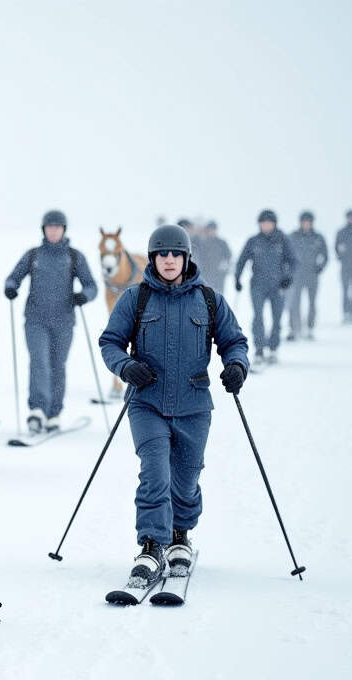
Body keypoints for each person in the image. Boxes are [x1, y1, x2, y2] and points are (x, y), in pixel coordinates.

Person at [98, 224, 249, 587]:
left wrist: (236, 366)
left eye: (175, 254)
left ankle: (180, 535)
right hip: (146, 403)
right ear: (153, 258)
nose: (168, 260)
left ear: (185, 258)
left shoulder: (209, 300)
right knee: (155, 473)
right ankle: (152, 544)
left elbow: (235, 340)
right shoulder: (136, 299)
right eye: (162, 254)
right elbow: (110, 343)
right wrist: (126, 366)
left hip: (194, 405)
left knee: (186, 477)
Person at [3, 209, 98, 433]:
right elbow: (13, 277)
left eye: (57, 227)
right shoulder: (33, 255)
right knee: (39, 362)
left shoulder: (74, 256)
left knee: (58, 365)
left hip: (64, 321)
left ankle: (54, 412)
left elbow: (91, 285)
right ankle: (37, 411)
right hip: (35, 320)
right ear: (44, 230)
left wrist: (84, 295)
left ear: (63, 230)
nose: (53, 230)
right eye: (49, 227)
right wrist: (10, 288)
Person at [233, 209, 297, 365]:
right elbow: (241, 260)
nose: (266, 226)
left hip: (278, 286)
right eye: (263, 223)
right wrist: (237, 278)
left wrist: (288, 278)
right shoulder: (254, 241)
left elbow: (293, 261)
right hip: (258, 286)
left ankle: (273, 349)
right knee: (258, 317)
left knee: (277, 318)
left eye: (269, 223)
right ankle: (259, 349)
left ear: (274, 224)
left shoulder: (282, 240)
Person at [286, 210, 330, 341]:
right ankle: (294, 328)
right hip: (296, 276)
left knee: (312, 302)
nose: (306, 224)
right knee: (294, 303)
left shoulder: (318, 238)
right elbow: (286, 254)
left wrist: (319, 268)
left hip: (312, 275)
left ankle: (310, 327)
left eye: (308, 222)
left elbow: (325, 255)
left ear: (311, 223)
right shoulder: (293, 236)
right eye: (304, 221)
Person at [195, 220, 233, 294]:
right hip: (205, 273)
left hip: (219, 274)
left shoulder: (221, 243)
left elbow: (228, 255)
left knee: (218, 294)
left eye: (214, 229)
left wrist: (224, 265)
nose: (212, 231)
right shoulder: (202, 242)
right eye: (210, 229)